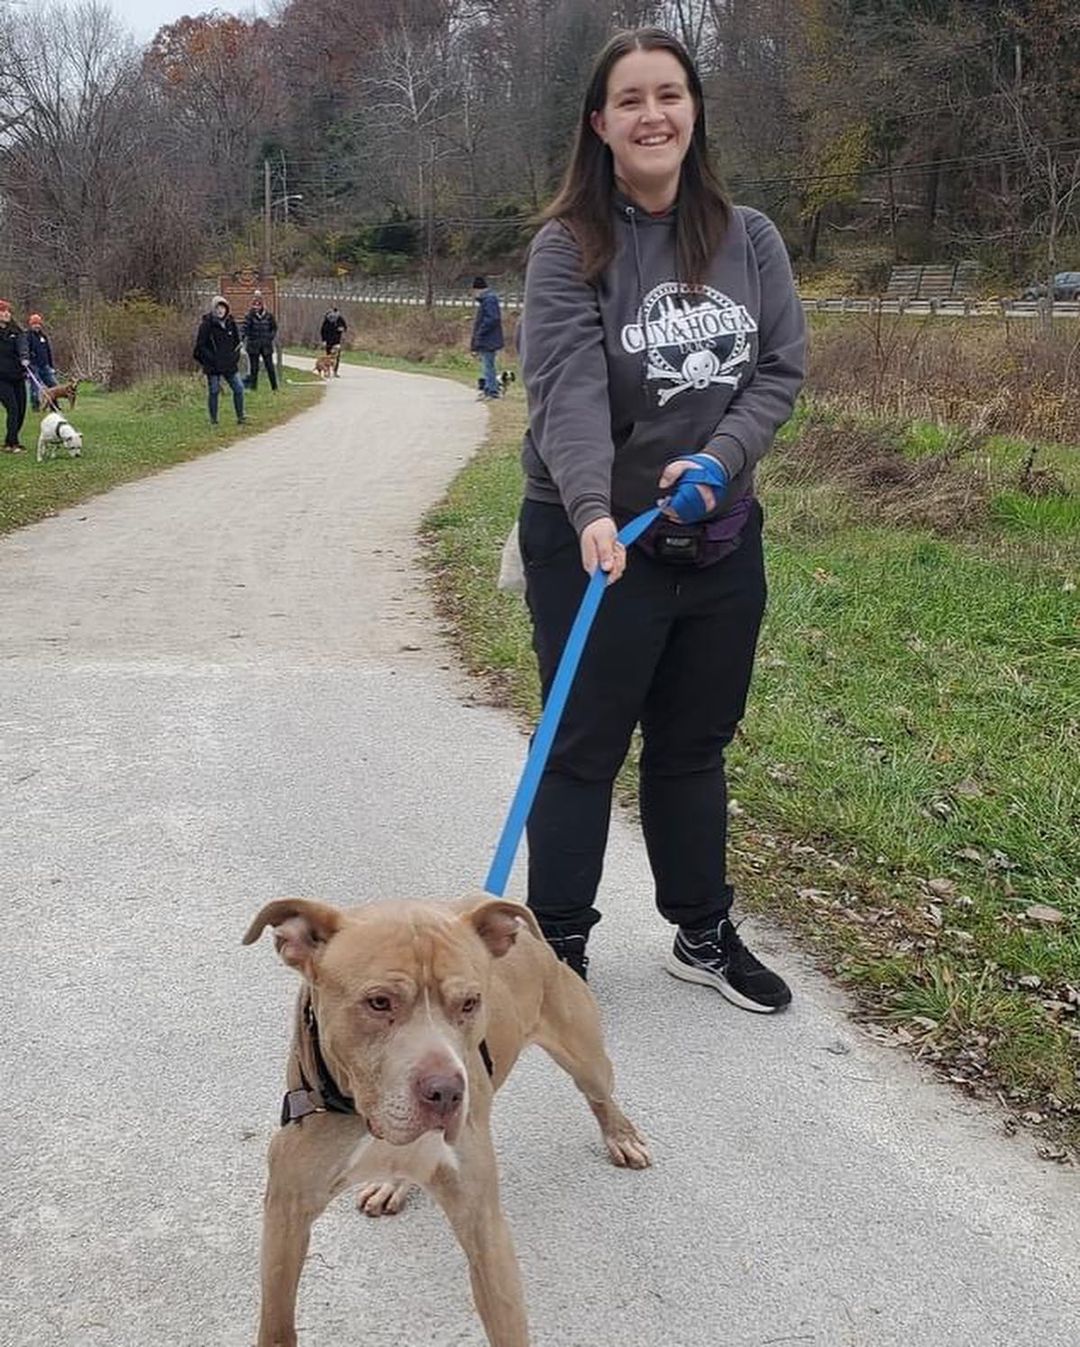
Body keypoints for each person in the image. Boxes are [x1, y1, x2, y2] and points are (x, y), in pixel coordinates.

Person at [517, 28, 806, 1010]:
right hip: (595, 542)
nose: (653, 114)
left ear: (694, 110)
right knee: (582, 746)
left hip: (719, 537)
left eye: (670, 94)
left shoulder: (749, 236)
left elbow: (776, 371)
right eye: (631, 99)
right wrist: (596, 507)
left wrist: (721, 464)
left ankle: (701, 930)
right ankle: (555, 951)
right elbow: (566, 390)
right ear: (599, 125)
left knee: (693, 742)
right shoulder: (568, 247)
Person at [193, 295, 245, 426]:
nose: (220, 310)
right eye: (217, 308)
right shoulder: (206, 325)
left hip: (229, 364)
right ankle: (214, 420)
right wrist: (211, 359)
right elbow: (201, 346)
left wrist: (235, 358)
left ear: (226, 309)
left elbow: (237, 344)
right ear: (213, 309)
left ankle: (241, 417)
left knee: (238, 388)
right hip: (213, 365)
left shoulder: (231, 323)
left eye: (222, 307)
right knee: (214, 391)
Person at [0, 299, 30, 453]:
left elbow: (22, 344)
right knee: (13, 409)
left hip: (18, 375)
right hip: (1, 378)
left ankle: (9, 441)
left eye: (8, 311)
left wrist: (24, 357)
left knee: (21, 409)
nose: (6, 314)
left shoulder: (16, 330)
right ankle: (13, 443)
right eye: (3, 311)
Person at [470, 275, 504, 399]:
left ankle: (492, 390)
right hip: (487, 338)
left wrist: (481, 331)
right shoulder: (486, 300)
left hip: (489, 338)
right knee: (486, 365)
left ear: (478, 289)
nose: (473, 294)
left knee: (488, 365)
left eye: (474, 291)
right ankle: (487, 388)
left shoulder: (489, 300)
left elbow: (493, 318)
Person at [242, 290, 278, 391]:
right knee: (254, 368)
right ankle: (254, 388)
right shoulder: (249, 316)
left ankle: (274, 387)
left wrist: (270, 337)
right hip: (253, 345)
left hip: (266, 345)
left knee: (270, 367)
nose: (256, 307)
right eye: (255, 305)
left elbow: (274, 328)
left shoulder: (269, 316)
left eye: (258, 305)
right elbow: (245, 328)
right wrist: (243, 337)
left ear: (262, 305)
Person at [26, 313, 57, 411]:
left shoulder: (43, 336)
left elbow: (48, 351)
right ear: (31, 325)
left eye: (38, 323)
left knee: (54, 385)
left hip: (45, 366)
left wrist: (51, 366)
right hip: (33, 366)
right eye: (35, 324)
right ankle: (36, 407)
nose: (37, 326)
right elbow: (25, 351)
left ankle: (54, 405)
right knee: (35, 388)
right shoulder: (27, 336)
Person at [320, 305, 347, 376]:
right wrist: (341, 329)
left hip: (332, 341)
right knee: (332, 357)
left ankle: (331, 372)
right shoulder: (334, 319)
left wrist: (323, 340)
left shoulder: (336, 319)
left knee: (332, 357)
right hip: (333, 341)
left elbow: (323, 330)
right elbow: (323, 330)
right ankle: (331, 371)